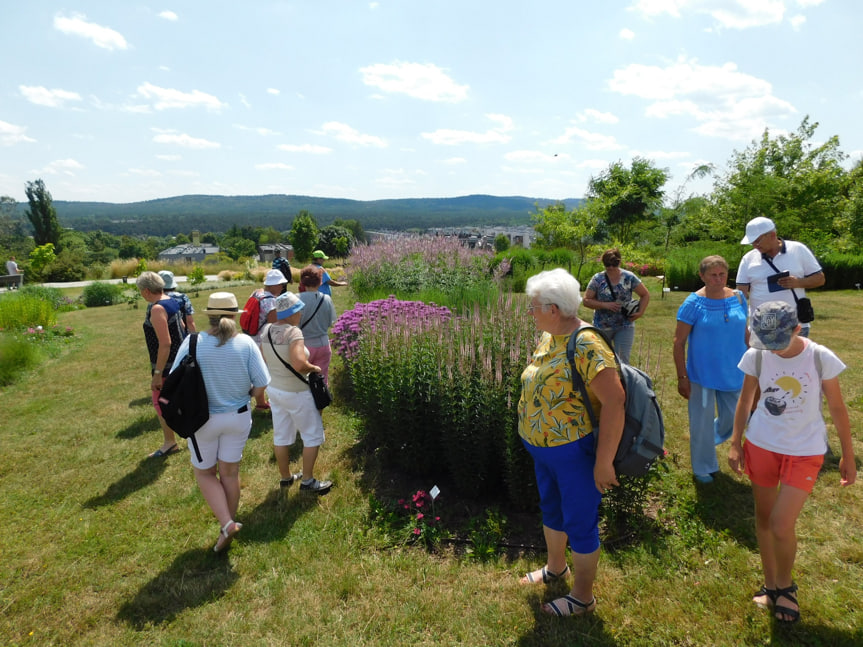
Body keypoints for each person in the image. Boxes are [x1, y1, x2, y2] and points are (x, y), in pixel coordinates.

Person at [728, 301, 856, 624]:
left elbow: (838, 409)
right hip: (761, 445)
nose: (772, 349)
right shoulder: (757, 355)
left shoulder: (819, 356)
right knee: (764, 517)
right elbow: (746, 400)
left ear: (797, 329)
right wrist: (735, 442)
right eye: (766, 342)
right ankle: (770, 584)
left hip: (805, 450)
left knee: (781, 523)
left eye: (778, 342)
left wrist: (848, 454)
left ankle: (786, 586)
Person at [517, 268, 625, 617]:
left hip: (575, 451)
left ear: (553, 308)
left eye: (533, 306)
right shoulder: (552, 336)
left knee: (579, 520)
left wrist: (604, 461)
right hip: (545, 450)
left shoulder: (586, 343)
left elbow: (615, 402)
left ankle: (582, 596)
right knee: (552, 508)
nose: (530, 312)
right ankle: (555, 567)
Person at [170, 292, 271, 552]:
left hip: (201, 420)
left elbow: (174, 378)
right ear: (236, 316)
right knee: (230, 473)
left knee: (205, 472)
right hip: (238, 417)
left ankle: (227, 524)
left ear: (210, 316)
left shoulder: (192, 342)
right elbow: (261, 383)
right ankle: (227, 525)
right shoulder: (246, 343)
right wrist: (253, 396)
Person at [673, 256, 748, 483]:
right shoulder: (692, 303)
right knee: (701, 421)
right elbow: (678, 342)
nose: (718, 279)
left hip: (735, 371)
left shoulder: (738, 297)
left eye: (722, 274)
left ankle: (705, 439)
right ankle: (703, 466)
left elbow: (746, 333)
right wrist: (682, 377)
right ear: (702, 276)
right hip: (702, 373)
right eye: (713, 275)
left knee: (736, 417)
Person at [260, 292, 333, 494]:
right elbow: (299, 363)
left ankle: (285, 477)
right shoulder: (294, 333)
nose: (301, 314)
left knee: (281, 435)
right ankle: (308, 481)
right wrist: (315, 368)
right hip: (297, 392)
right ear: (292, 312)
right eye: (299, 311)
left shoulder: (266, 330)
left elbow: (263, 358)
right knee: (313, 435)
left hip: (275, 390)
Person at [736, 217, 825, 337]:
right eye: (752, 242)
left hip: (794, 323)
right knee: (762, 356)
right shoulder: (748, 258)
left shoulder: (798, 249)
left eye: (757, 241)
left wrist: (798, 283)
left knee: (795, 356)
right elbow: (741, 293)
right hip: (763, 323)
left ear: (772, 235)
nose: (755, 246)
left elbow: (820, 279)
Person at [136, 271, 185, 458]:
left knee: (160, 402)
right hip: (179, 361)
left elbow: (165, 343)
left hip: (167, 365)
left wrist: (157, 373)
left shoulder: (157, 309)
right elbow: (181, 326)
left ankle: (170, 442)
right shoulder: (171, 301)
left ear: (147, 291)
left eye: (141, 291)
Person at [582, 248, 650, 364]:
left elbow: (645, 295)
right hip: (602, 325)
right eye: (607, 264)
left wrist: (640, 312)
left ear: (619, 262)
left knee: (623, 361)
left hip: (625, 325)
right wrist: (604, 305)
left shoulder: (629, 277)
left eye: (614, 263)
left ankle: (623, 381)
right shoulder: (598, 279)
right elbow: (586, 300)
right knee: (602, 361)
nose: (611, 267)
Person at [297, 265, 338, 383]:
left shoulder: (296, 299)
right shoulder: (327, 299)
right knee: (322, 381)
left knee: (303, 381)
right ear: (320, 281)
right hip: (323, 343)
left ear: (303, 282)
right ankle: (321, 401)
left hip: (304, 345)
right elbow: (331, 321)